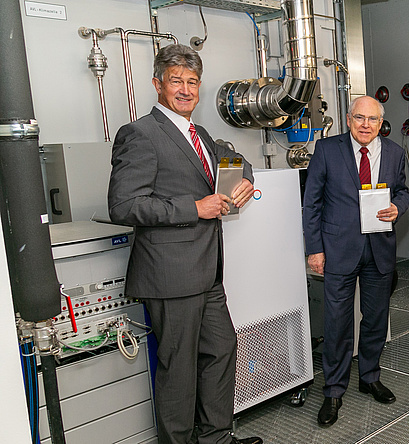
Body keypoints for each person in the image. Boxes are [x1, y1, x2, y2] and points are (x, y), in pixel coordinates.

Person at [108, 44, 261, 444]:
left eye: (192, 81)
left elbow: (234, 160)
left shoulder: (200, 133)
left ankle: (216, 438)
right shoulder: (140, 134)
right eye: (176, 80)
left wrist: (245, 179)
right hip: (170, 275)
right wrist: (195, 206)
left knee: (222, 350)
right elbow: (124, 205)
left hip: (208, 273)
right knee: (177, 371)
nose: (186, 89)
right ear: (157, 84)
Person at [302, 95, 409, 426]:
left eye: (373, 119)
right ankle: (333, 391)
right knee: (337, 323)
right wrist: (314, 249)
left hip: (379, 248)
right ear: (349, 119)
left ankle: (369, 377)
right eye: (359, 118)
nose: (366, 125)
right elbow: (312, 203)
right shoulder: (327, 150)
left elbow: (403, 191)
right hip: (338, 249)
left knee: (376, 318)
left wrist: (397, 208)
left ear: (381, 123)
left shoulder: (395, 153)